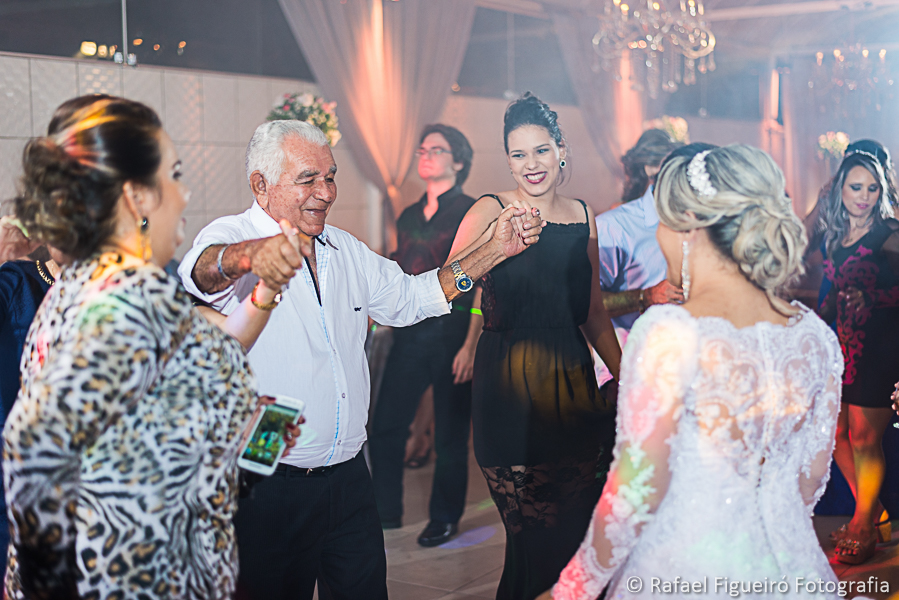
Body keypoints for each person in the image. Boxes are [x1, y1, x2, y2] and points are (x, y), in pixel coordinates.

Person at [177, 119, 545, 600]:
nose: (325, 192)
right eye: (308, 179)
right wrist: (253, 257)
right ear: (260, 186)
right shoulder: (233, 234)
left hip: (349, 474)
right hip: (266, 475)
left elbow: (416, 297)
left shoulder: (344, 249)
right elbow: (201, 272)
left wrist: (493, 251)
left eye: (329, 176)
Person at [3, 97, 299, 600]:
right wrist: (255, 439)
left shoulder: (83, 288)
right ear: (136, 197)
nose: (184, 195)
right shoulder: (127, 303)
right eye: (175, 175)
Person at [539, 144, 843, 600]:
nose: (658, 234)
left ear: (688, 227)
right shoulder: (816, 338)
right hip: (794, 569)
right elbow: (808, 481)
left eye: (662, 220)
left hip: (687, 568)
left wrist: (571, 590)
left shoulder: (670, 331)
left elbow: (637, 490)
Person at [446, 93, 622, 600]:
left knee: (577, 537)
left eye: (541, 151)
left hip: (574, 386)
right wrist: (495, 244)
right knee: (534, 540)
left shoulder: (583, 215)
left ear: (561, 150)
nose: (531, 165)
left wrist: (626, 373)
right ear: (507, 159)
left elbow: (592, 310)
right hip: (509, 392)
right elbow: (447, 286)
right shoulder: (490, 209)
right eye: (518, 155)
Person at [369, 124, 479, 546]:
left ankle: (445, 518)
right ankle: (385, 513)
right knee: (386, 424)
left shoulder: (471, 211)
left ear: (458, 161)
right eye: (423, 149)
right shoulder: (408, 215)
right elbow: (398, 273)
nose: (426, 155)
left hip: (453, 330)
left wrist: (470, 345)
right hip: (410, 330)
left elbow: (480, 280)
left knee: (451, 433)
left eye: (437, 149)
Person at [816, 149, 899, 564]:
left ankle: (863, 522)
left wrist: (875, 296)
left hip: (882, 351)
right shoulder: (835, 236)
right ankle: (877, 513)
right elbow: (830, 296)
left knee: (865, 439)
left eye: (872, 188)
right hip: (841, 350)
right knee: (834, 437)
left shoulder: (891, 233)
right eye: (855, 187)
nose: (863, 196)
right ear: (840, 190)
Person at [590, 136, 701, 388]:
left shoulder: (699, 225)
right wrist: (645, 297)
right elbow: (587, 303)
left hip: (684, 367)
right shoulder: (614, 227)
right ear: (657, 173)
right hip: (626, 370)